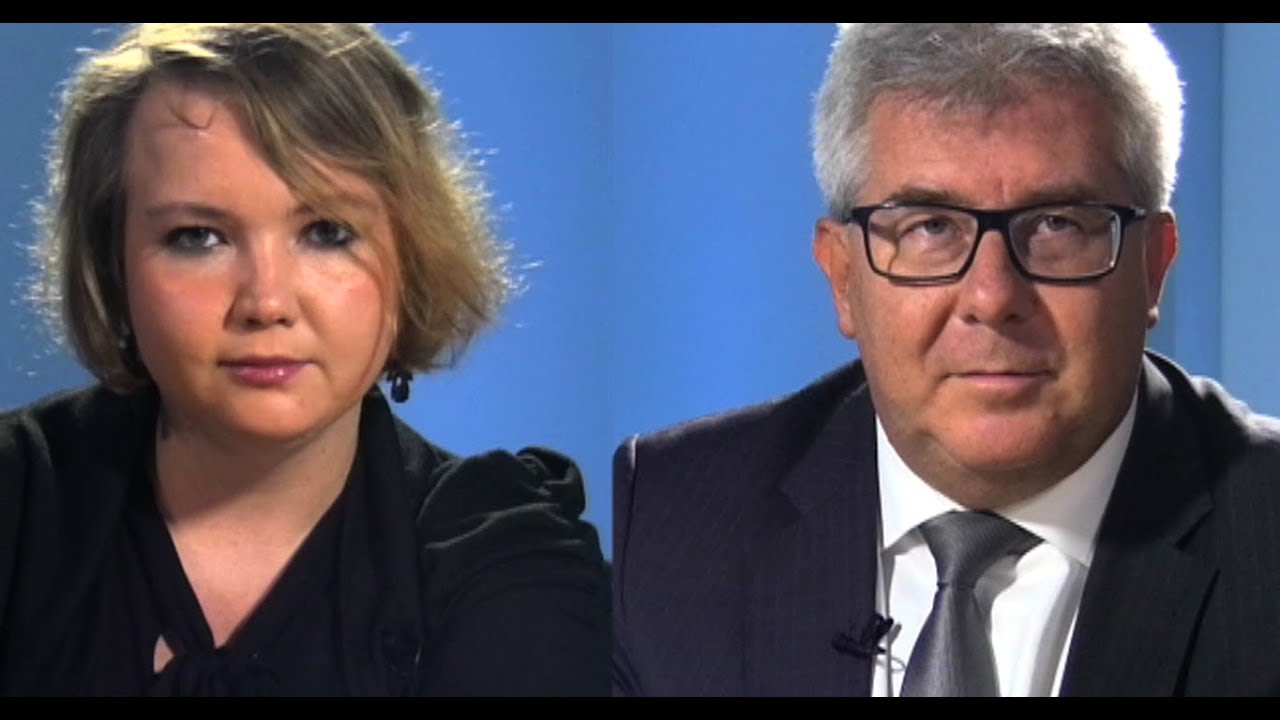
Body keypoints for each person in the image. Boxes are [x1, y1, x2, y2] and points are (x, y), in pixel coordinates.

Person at [612, 23, 1280, 697]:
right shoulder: (677, 524)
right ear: (842, 277)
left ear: (1153, 266)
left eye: (1057, 225)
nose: (992, 297)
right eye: (930, 227)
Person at [0, 23, 609, 696]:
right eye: (197, 237)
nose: (266, 302)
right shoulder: (17, 501)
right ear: (112, 267)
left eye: (327, 232)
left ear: (411, 256)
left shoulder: (505, 561)